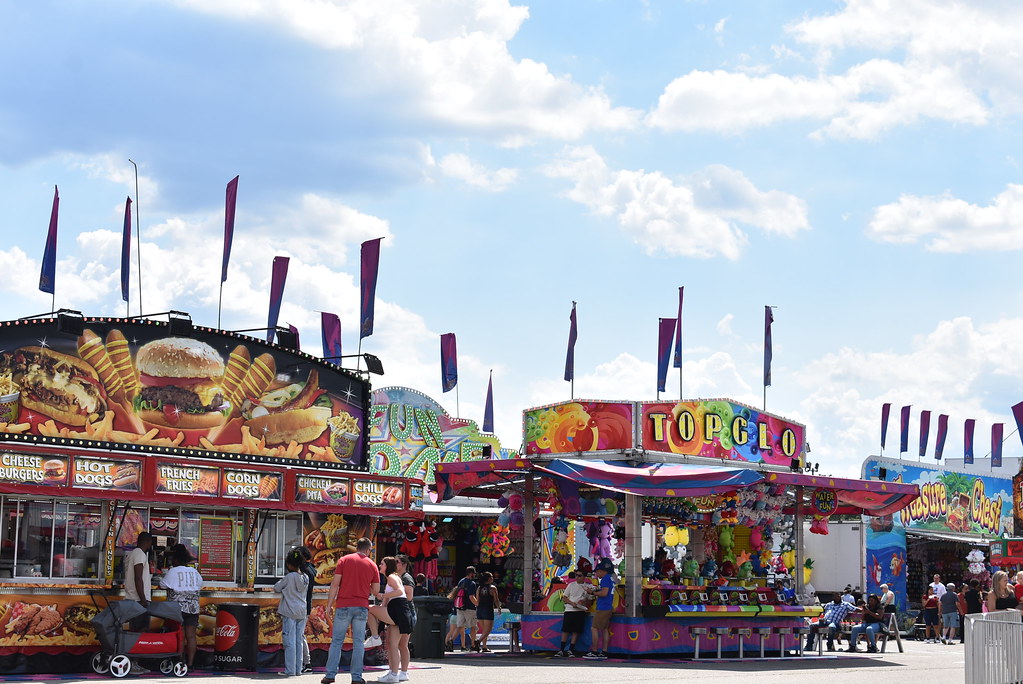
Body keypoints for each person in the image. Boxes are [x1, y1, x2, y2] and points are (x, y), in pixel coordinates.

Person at [323, 537, 380, 684]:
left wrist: (329, 604)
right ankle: (356, 677)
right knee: (358, 643)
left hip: (343, 605)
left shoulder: (344, 560)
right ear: (368, 549)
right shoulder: (372, 565)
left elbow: (335, 584)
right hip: (361, 606)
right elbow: (376, 590)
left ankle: (330, 674)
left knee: (337, 641)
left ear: (356, 547)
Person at [159, 544, 202, 670]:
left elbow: (162, 585)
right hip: (193, 608)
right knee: (191, 636)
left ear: (176, 560)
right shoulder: (194, 572)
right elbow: (200, 584)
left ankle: (179, 661)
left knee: (179, 635)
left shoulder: (173, 571)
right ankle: (190, 664)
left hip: (177, 609)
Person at [377, 557, 413, 684]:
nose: (379, 565)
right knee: (392, 645)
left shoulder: (396, 577)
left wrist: (383, 595)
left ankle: (400, 672)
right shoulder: (391, 578)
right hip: (397, 612)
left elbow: (402, 593)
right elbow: (384, 603)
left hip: (401, 612)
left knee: (401, 645)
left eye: (382, 564)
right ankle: (393, 672)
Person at [276, 552, 310, 677]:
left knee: (289, 641)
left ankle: (290, 670)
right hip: (302, 612)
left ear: (289, 564)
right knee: (299, 641)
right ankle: (298, 670)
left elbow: (277, 588)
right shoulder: (305, 577)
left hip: (289, 611)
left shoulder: (289, 577)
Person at [124, 532, 155, 638]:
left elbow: (140, 577)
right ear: (148, 542)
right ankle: (138, 652)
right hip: (138, 600)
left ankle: (135, 652)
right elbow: (138, 578)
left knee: (136, 631)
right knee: (141, 631)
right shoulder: (139, 554)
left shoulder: (134, 553)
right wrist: (143, 599)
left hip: (134, 599)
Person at [584, 558, 616, 659]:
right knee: (605, 629)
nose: (597, 574)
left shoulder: (605, 579)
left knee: (594, 628)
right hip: (608, 607)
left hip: (603, 607)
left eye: (597, 571)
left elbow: (604, 593)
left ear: (602, 570)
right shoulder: (611, 578)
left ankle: (594, 651)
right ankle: (604, 651)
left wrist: (592, 592)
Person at [555, 571, 590, 658]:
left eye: (579, 575)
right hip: (569, 610)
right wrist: (572, 603)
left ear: (584, 577)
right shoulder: (571, 585)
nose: (577, 577)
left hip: (580, 610)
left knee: (576, 631)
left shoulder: (587, 587)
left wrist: (583, 601)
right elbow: (564, 597)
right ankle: (562, 649)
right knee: (566, 630)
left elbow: (590, 599)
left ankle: (571, 649)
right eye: (576, 575)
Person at [444, 567, 478, 652]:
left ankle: (450, 642)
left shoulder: (461, 581)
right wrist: (478, 604)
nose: (474, 575)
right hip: (469, 608)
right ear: (471, 574)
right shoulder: (472, 583)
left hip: (459, 607)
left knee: (459, 626)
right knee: (473, 627)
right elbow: (471, 597)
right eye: (474, 573)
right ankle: (473, 645)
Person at [297, 546, 317, 673]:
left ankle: (306, 663)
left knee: (299, 635)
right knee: (300, 635)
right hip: (306, 605)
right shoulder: (312, 569)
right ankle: (305, 662)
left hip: (301, 605)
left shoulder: (304, 569)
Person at [474, 571, 501, 653]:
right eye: (491, 576)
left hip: (480, 610)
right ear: (489, 579)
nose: (493, 578)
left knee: (484, 630)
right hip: (488, 610)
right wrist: (499, 607)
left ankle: (484, 646)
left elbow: (477, 600)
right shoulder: (492, 588)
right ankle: (478, 642)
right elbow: (496, 599)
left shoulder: (479, 588)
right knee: (488, 630)